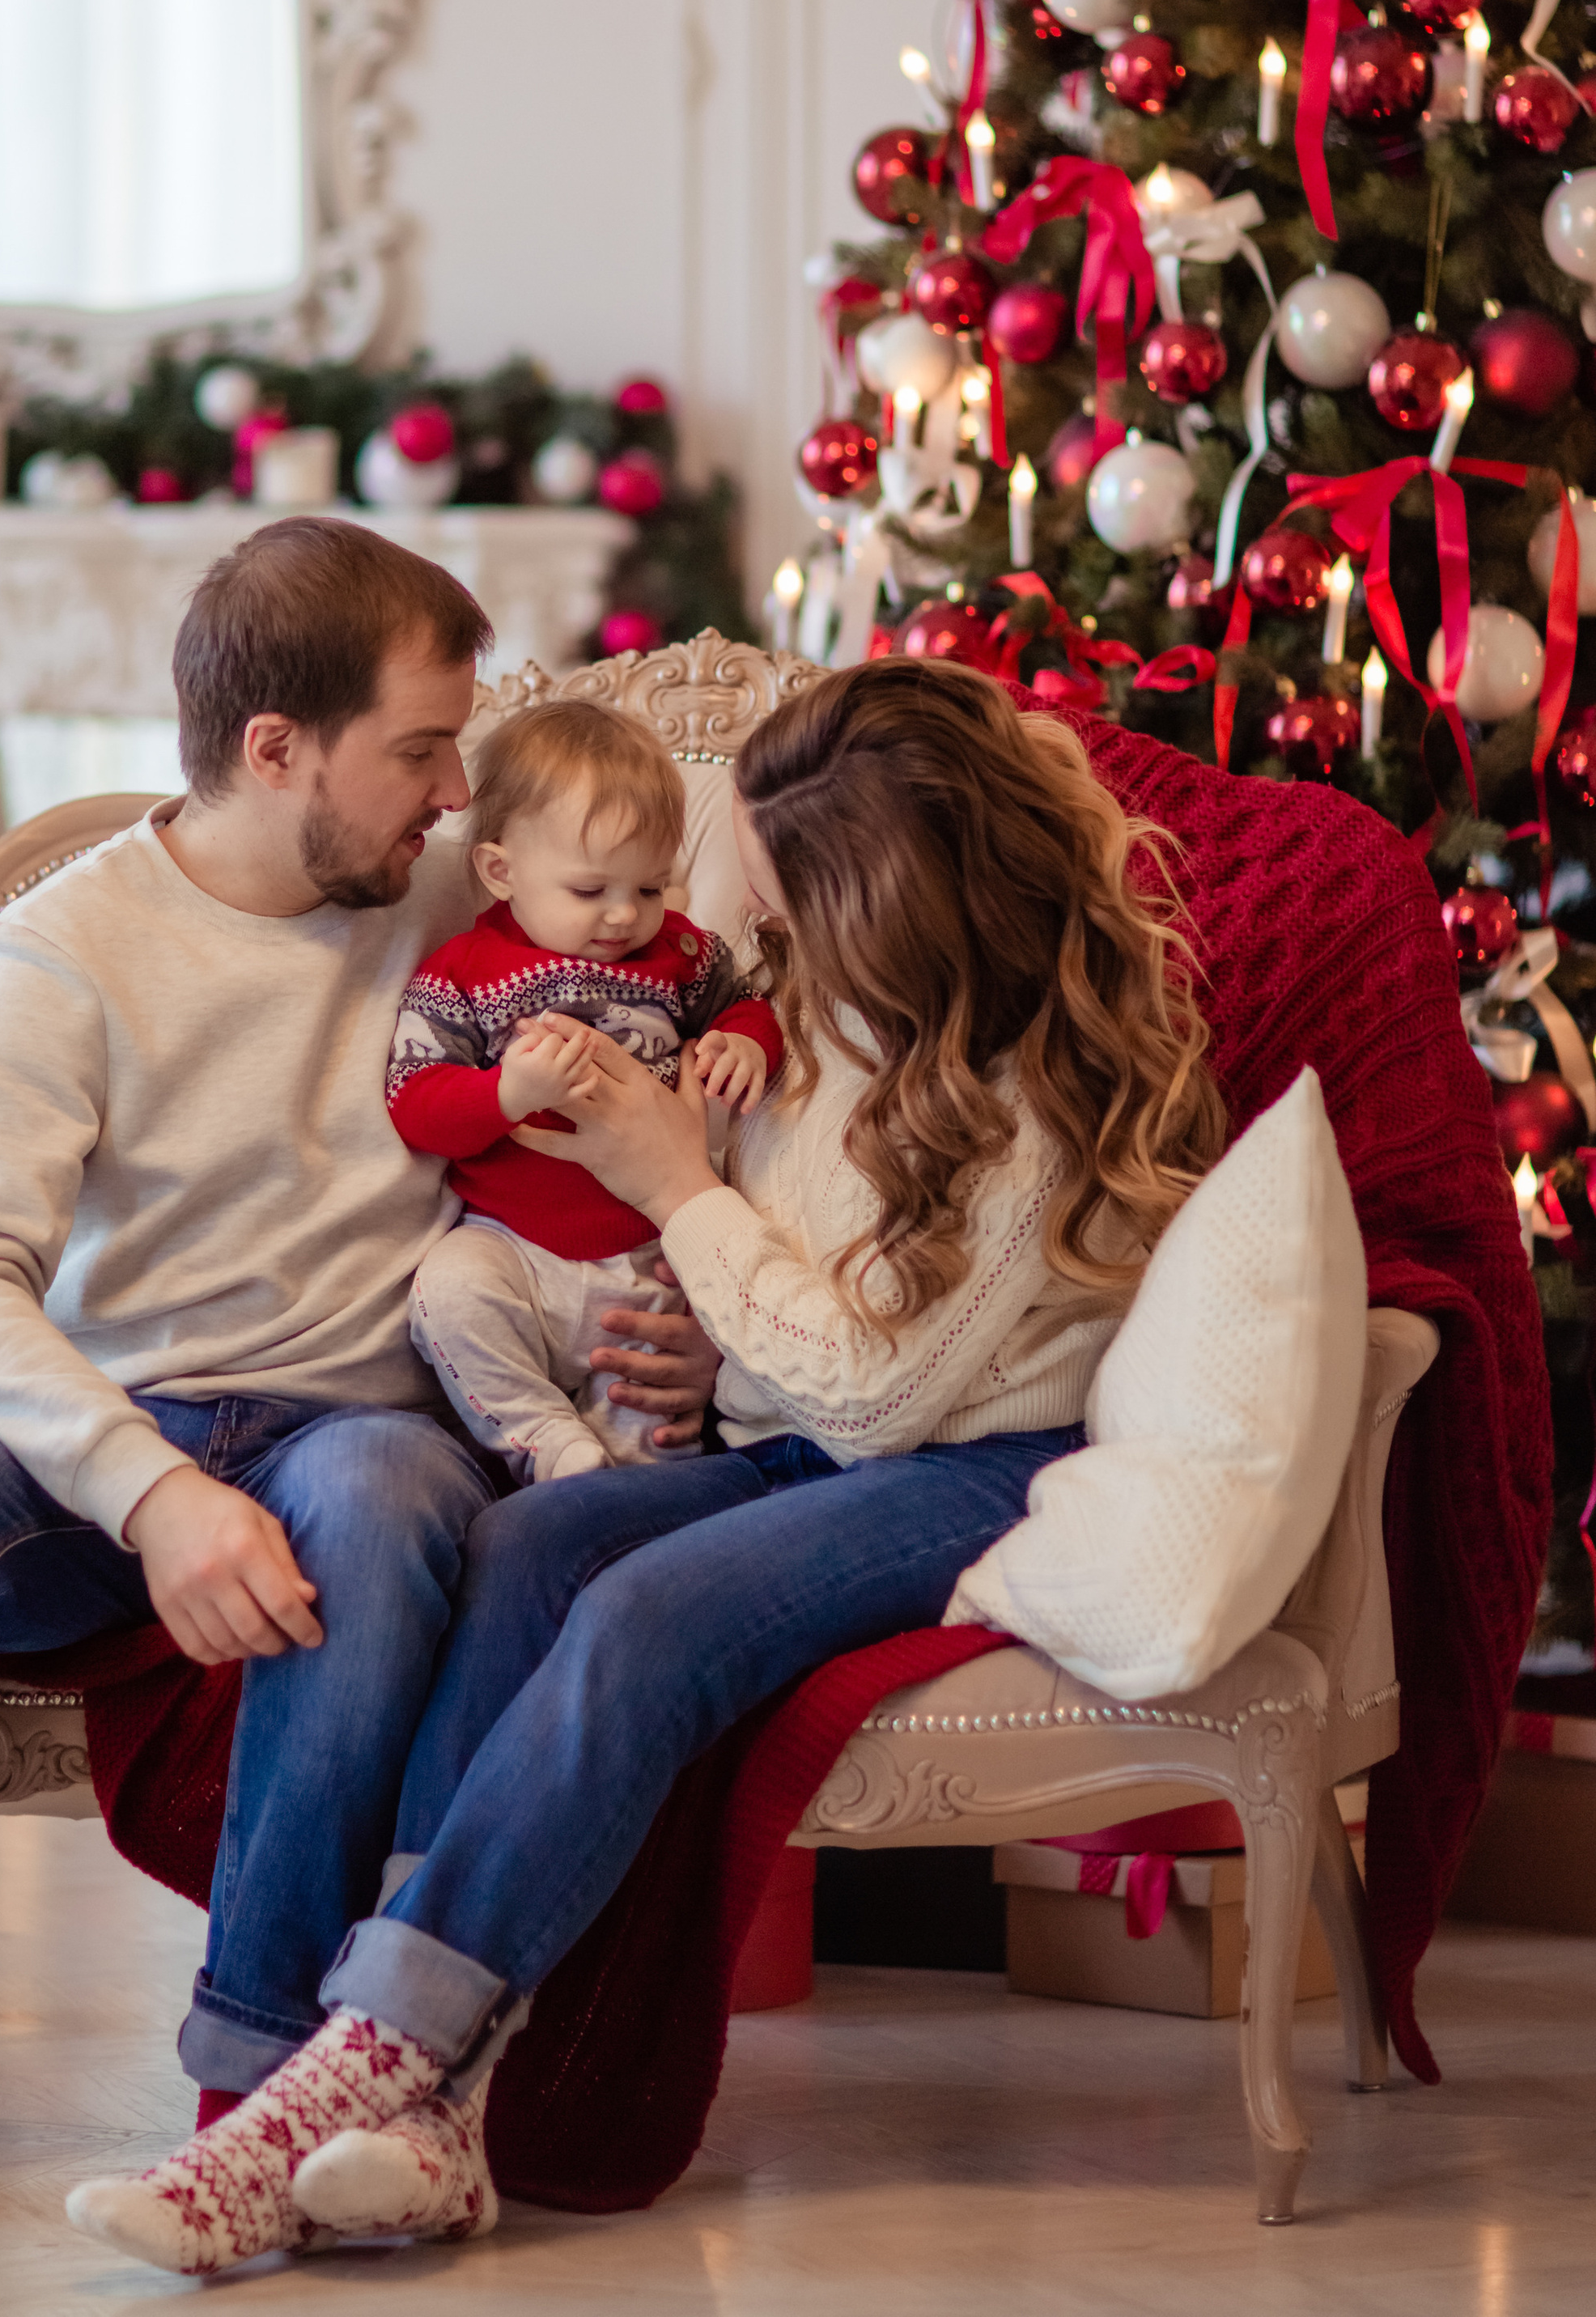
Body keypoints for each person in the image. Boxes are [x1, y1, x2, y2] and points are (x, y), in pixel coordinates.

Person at [65, 659, 1229, 2274]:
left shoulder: (1020, 1093)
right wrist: (708, 1337)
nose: (714, 913)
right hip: (796, 1436)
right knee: (526, 1550)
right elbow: (797, 1314)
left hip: (971, 1464)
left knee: (646, 1619)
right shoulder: (794, 1009)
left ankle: (356, 2073)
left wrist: (677, 1189)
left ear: (866, 897)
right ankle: (436, 2122)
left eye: (753, 874)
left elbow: (887, 1397)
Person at [0, 518, 720, 2243]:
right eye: (420, 752)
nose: (458, 794)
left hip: (366, 1417)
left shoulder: (466, 894)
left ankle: (256, 2089)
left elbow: (679, 1001)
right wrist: (152, 1494)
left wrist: (685, 1294)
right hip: (115, 1428)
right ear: (272, 750)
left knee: (374, 1502)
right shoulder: (58, 955)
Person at [388, 698, 782, 1481]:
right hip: (514, 1247)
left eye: (650, 886)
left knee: (655, 1425)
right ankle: (546, 1443)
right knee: (448, 1294)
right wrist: (504, 1092)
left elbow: (747, 1005)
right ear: (501, 871)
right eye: (590, 889)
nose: (624, 915)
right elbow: (417, 1103)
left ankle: (617, 1490)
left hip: (647, 1252)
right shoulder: (463, 973)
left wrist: (745, 1040)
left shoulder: (684, 953)